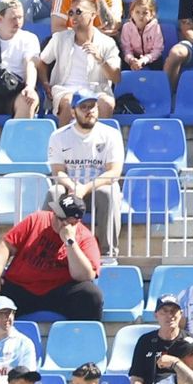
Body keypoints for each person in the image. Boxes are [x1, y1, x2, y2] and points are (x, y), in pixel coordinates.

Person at [0, 185, 103, 322]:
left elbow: (85, 276)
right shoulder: (36, 219)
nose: (54, 218)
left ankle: (83, 335)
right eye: (55, 214)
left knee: (91, 295)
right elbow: (6, 245)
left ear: (74, 222)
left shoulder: (85, 237)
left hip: (59, 291)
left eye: (61, 218)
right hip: (22, 287)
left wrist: (70, 242)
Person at [46, 91, 122, 265]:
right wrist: (73, 187)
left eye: (93, 107)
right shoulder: (59, 136)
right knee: (53, 192)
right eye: (84, 107)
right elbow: (58, 171)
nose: (90, 111)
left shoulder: (111, 134)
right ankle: (47, 249)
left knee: (109, 193)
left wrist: (85, 188)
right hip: (70, 190)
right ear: (73, 112)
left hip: (97, 189)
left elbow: (114, 172)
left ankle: (108, 254)